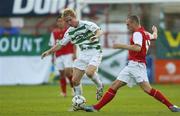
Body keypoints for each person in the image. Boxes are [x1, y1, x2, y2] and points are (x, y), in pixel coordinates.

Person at [83, 15, 180, 112]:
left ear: (134, 23)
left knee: (148, 89)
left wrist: (120, 45)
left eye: (128, 24)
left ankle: (171, 106)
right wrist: (155, 31)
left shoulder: (137, 33)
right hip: (132, 65)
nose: (127, 27)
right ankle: (96, 108)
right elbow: (154, 37)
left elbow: (137, 48)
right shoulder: (145, 33)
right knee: (115, 85)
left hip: (137, 65)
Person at [42, 8, 104, 100]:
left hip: (95, 51)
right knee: (74, 80)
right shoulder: (69, 31)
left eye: (70, 20)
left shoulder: (87, 24)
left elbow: (99, 31)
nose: (69, 23)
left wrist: (95, 36)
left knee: (89, 73)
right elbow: (60, 44)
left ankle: (100, 86)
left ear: (75, 16)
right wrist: (49, 51)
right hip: (83, 54)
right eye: (67, 21)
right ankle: (78, 100)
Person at [49, 15, 75, 97]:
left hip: (68, 53)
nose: (60, 23)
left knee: (68, 72)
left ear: (65, 22)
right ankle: (63, 92)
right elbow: (52, 45)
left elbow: (74, 43)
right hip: (58, 55)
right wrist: (52, 57)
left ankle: (73, 88)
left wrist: (74, 53)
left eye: (61, 21)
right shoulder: (54, 32)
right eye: (58, 21)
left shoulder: (69, 31)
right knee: (61, 73)